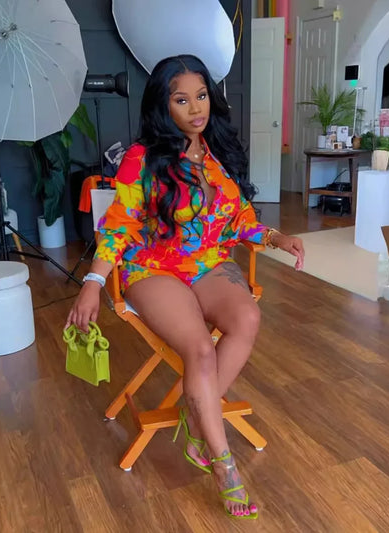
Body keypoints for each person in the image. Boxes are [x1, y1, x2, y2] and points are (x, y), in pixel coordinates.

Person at [66, 54, 304, 519]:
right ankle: (224, 465)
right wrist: (93, 282)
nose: (196, 109)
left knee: (247, 317)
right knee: (199, 349)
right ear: (163, 105)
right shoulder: (142, 159)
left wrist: (277, 237)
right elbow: (117, 227)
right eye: (181, 100)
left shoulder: (218, 152)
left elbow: (239, 219)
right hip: (153, 265)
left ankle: (195, 423)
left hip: (207, 263)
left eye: (201, 96)